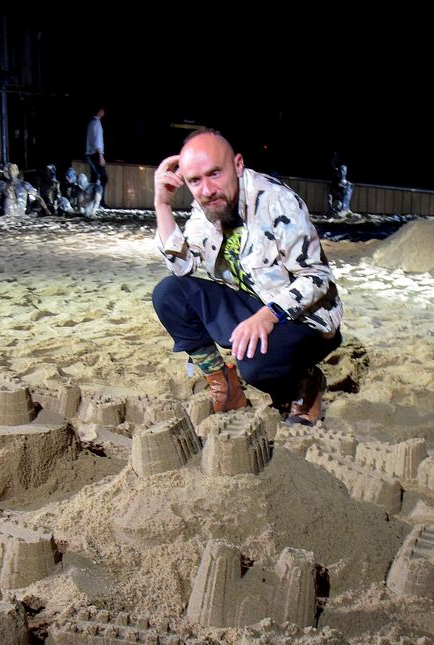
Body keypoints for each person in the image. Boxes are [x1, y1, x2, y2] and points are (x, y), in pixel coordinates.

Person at [152, 130, 342, 425]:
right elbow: (182, 267)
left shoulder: (277, 201)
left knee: (255, 365)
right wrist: (162, 205)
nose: (207, 189)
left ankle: (306, 383)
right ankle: (226, 387)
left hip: (306, 319)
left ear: (238, 165)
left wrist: (268, 315)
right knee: (170, 294)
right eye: (195, 181)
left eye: (215, 174)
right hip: (253, 304)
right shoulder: (207, 207)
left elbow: (317, 278)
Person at [85, 107, 107, 207]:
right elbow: (97, 140)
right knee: (103, 178)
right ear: (99, 111)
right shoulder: (97, 123)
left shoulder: (91, 123)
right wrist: (101, 155)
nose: (104, 112)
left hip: (89, 154)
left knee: (94, 177)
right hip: (95, 154)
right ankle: (99, 201)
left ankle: (91, 200)